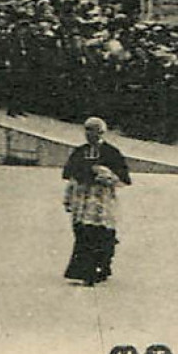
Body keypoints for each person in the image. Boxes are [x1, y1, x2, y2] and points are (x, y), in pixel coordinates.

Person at [62, 117, 132, 286]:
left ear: (101, 132)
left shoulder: (111, 152)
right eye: (86, 130)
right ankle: (82, 270)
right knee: (82, 234)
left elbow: (124, 179)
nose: (89, 134)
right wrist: (68, 198)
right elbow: (70, 176)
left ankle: (98, 269)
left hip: (101, 202)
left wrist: (107, 175)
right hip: (82, 200)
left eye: (92, 130)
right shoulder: (79, 152)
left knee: (100, 235)